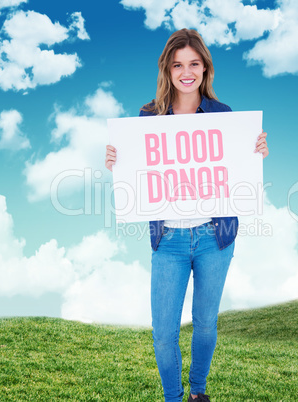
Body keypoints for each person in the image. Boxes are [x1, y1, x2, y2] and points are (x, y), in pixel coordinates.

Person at [105, 28, 269, 402]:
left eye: (194, 63)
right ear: (168, 69)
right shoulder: (148, 117)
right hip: (170, 241)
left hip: (215, 237)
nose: (186, 72)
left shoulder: (224, 116)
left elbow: (237, 168)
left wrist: (255, 150)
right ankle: (173, 398)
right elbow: (140, 173)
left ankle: (198, 393)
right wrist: (118, 162)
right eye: (178, 64)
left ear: (205, 68)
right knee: (163, 333)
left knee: (206, 325)